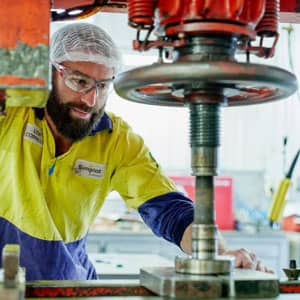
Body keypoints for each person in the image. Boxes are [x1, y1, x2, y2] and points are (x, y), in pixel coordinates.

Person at [0, 22, 271, 281]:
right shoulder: (12, 112)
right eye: (79, 82)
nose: (90, 100)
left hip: (70, 285)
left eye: (102, 86)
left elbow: (170, 209)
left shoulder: (116, 140)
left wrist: (219, 253)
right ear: (50, 73)